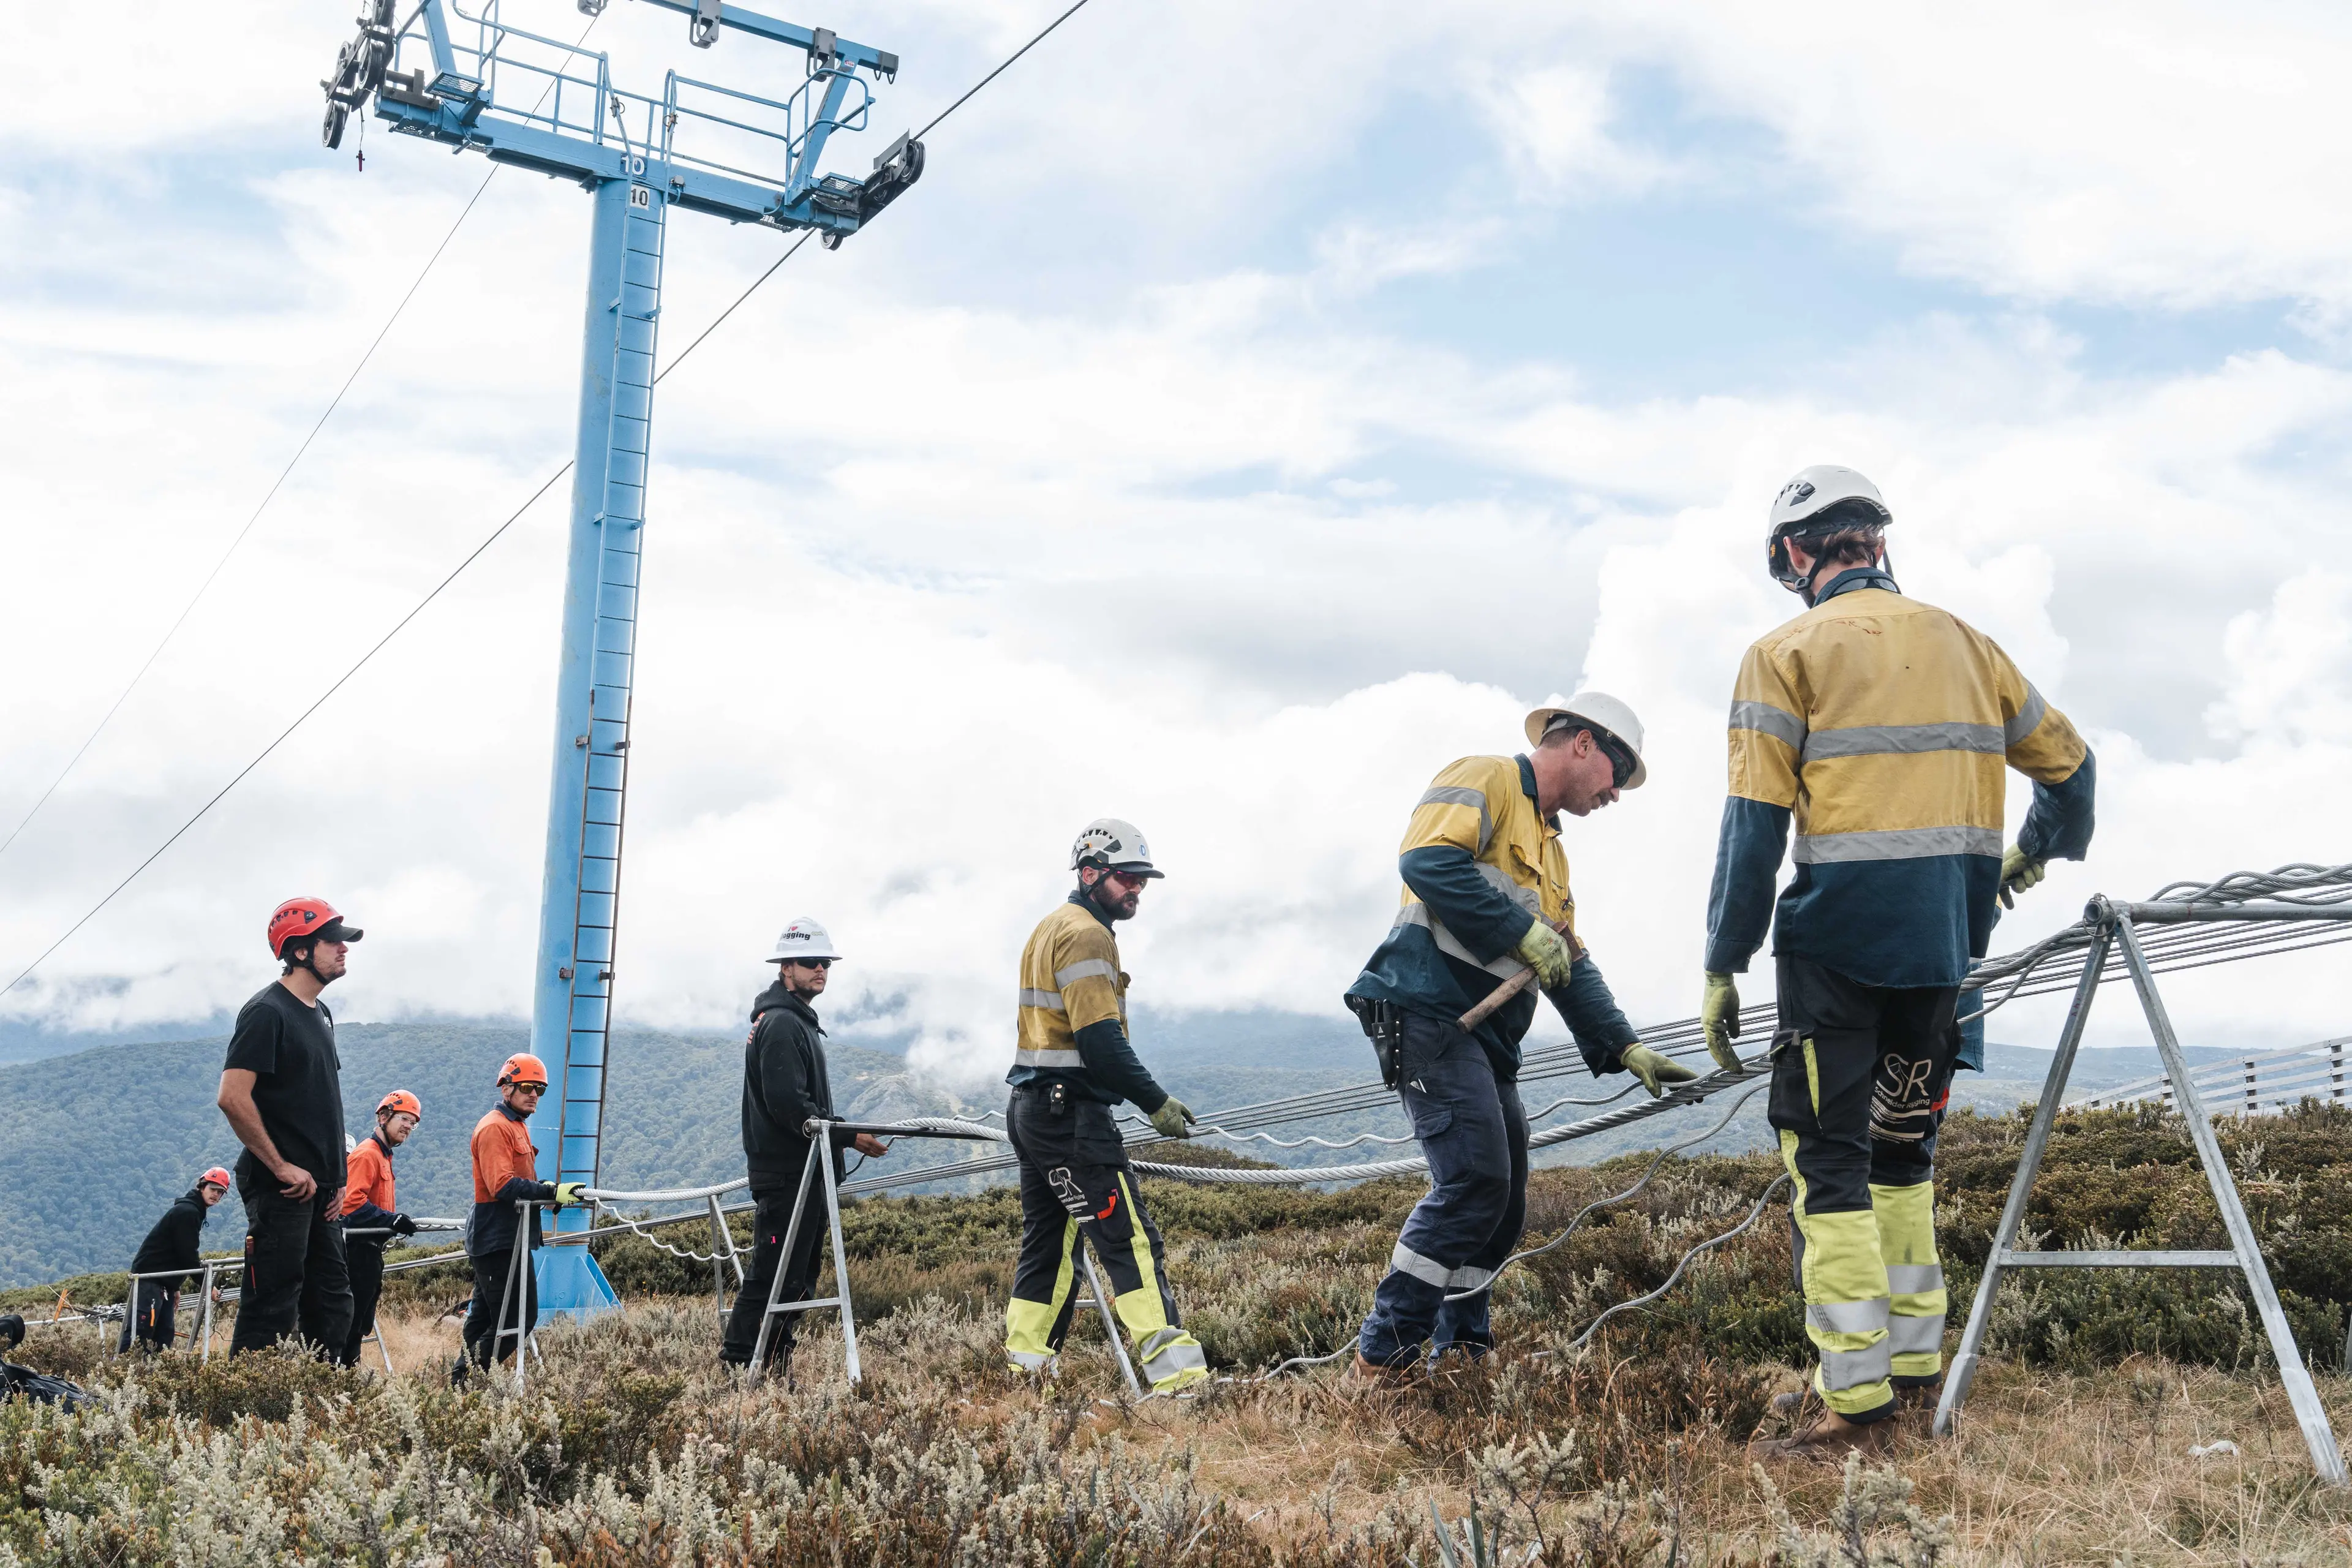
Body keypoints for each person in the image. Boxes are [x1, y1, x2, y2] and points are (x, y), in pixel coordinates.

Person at [1702, 466, 2095, 1457]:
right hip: (1947, 956)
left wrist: (1723, 962)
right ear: (1878, 542)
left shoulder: (1781, 654)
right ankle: (1915, 1382)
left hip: (1835, 955)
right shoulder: (1971, 645)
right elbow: (2076, 773)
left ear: (1796, 555)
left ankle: (1853, 1406)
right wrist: (2031, 853)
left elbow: (1751, 831)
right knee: (1903, 1163)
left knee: (1825, 1168)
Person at [1344, 694, 1672, 1374]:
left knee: (1504, 1200)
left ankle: (1462, 1349)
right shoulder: (1486, 776)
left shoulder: (1554, 857)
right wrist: (1519, 931)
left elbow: (1568, 964)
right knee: (1474, 1181)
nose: (1617, 792)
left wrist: (1625, 1044)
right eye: (1618, 771)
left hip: (1487, 1038)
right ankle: (1384, 1356)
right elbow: (1427, 862)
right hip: (1427, 1009)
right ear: (1583, 743)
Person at [1001, 820, 1209, 1394]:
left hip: (1031, 1109)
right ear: (1090, 872)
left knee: (1050, 1241)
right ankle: (1180, 1378)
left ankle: (1027, 1366)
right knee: (1130, 1242)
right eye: (1126, 877)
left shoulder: (1049, 927)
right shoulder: (1089, 934)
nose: (1136, 888)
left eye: (1142, 879)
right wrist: (1156, 1103)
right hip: (1071, 1117)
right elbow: (1101, 1041)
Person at [719, 918, 888, 1372]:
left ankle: (771, 1364)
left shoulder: (791, 1022)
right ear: (785, 968)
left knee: (794, 1278)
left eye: (826, 963)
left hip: (803, 1170)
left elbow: (796, 1105)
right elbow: (790, 1105)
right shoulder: (779, 1025)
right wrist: (849, 1135)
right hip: (788, 1173)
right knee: (774, 1274)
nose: (821, 970)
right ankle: (740, 1365)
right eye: (811, 963)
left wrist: (842, 1138)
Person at [219, 897, 363, 1357]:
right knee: (272, 1308)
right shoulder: (267, 1011)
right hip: (281, 1188)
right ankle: (246, 1415)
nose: (344, 949)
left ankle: (323, 1412)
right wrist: (281, 1167)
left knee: (333, 1307)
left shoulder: (320, 1013)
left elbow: (319, 1103)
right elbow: (232, 1096)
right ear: (300, 950)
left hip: (321, 1190)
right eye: (333, 941)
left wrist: (336, 1178)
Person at [460, 1054, 583, 1373]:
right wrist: (548, 1192)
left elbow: (520, 1180)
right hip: (498, 1236)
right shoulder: (495, 1128)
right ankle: (467, 1380)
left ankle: (461, 1385)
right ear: (506, 1089)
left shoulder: (516, 1126)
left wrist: (547, 1191)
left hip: (510, 1235)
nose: (534, 1095)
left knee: (486, 1317)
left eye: (539, 1090)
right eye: (527, 1087)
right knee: (518, 1319)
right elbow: (501, 1185)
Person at [337, 1090, 422, 1368]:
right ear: (384, 1117)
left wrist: (392, 1221)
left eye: (413, 1122)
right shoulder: (367, 1154)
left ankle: (348, 1377)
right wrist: (391, 1220)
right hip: (356, 1252)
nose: (409, 1126)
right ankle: (340, 1379)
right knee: (351, 1320)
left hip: (371, 1251)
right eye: (405, 1119)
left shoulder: (384, 1156)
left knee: (361, 1320)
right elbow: (350, 1205)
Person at [121, 1167, 230, 1352]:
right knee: (141, 1333)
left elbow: (176, 1251)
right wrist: (207, 1285)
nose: (216, 1195)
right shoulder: (188, 1212)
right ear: (203, 1186)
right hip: (150, 1279)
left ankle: (153, 1377)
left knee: (164, 1336)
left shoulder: (193, 1210)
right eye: (213, 1189)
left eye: (221, 1192)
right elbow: (187, 1255)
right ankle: (123, 1373)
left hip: (163, 1281)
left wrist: (175, 1286)